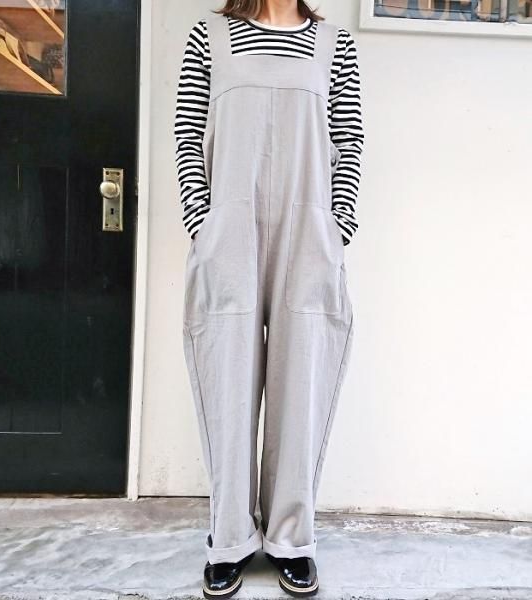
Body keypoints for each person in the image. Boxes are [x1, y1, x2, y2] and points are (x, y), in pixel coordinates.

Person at [174, 1, 364, 597]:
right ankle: (229, 538)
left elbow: (349, 139)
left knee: (302, 384)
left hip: (308, 231)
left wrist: (336, 228)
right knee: (226, 382)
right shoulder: (210, 36)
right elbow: (187, 134)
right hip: (229, 230)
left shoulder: (334, 45)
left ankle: (291, 539)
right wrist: (203, 224)